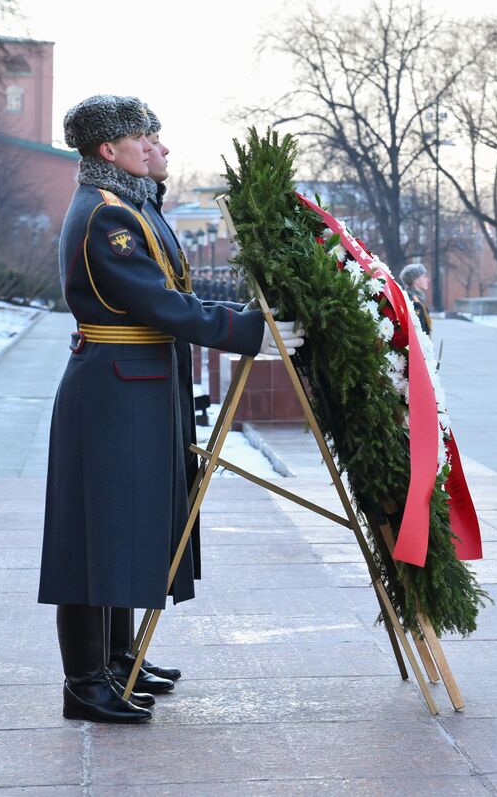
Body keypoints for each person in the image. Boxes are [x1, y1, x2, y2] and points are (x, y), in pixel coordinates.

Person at [39, 95, 304, 723]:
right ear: (110, 150)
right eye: (144, 138)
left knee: (127, 523)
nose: (159, 147)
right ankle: (86, 682)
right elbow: (158, 305)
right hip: (115, 387)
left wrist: (249, 318)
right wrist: (247, 333)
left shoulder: (129, 205)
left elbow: (176, 293)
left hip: (140, 383)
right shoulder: (108, 216)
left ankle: (118, 659)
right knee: (97, 531)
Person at [399, 263, 433, 336]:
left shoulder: (416, 298)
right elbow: (418, 332)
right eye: (423, 276)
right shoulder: (414, 302)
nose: (427, 279)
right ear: (414, 280)